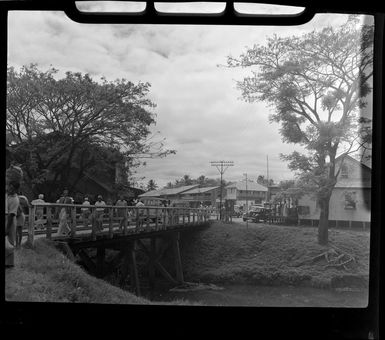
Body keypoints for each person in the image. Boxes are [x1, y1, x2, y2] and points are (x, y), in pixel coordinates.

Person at [5, 180, 20, 268]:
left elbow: (11, 215)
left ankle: (10, 263)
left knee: (10, 241)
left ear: (16, 189)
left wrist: (7, 228)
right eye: (9, 187)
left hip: (10, 220)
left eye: (12, 189)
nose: (10, 189)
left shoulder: (15, 199)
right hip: (7, 218)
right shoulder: (8, 195)